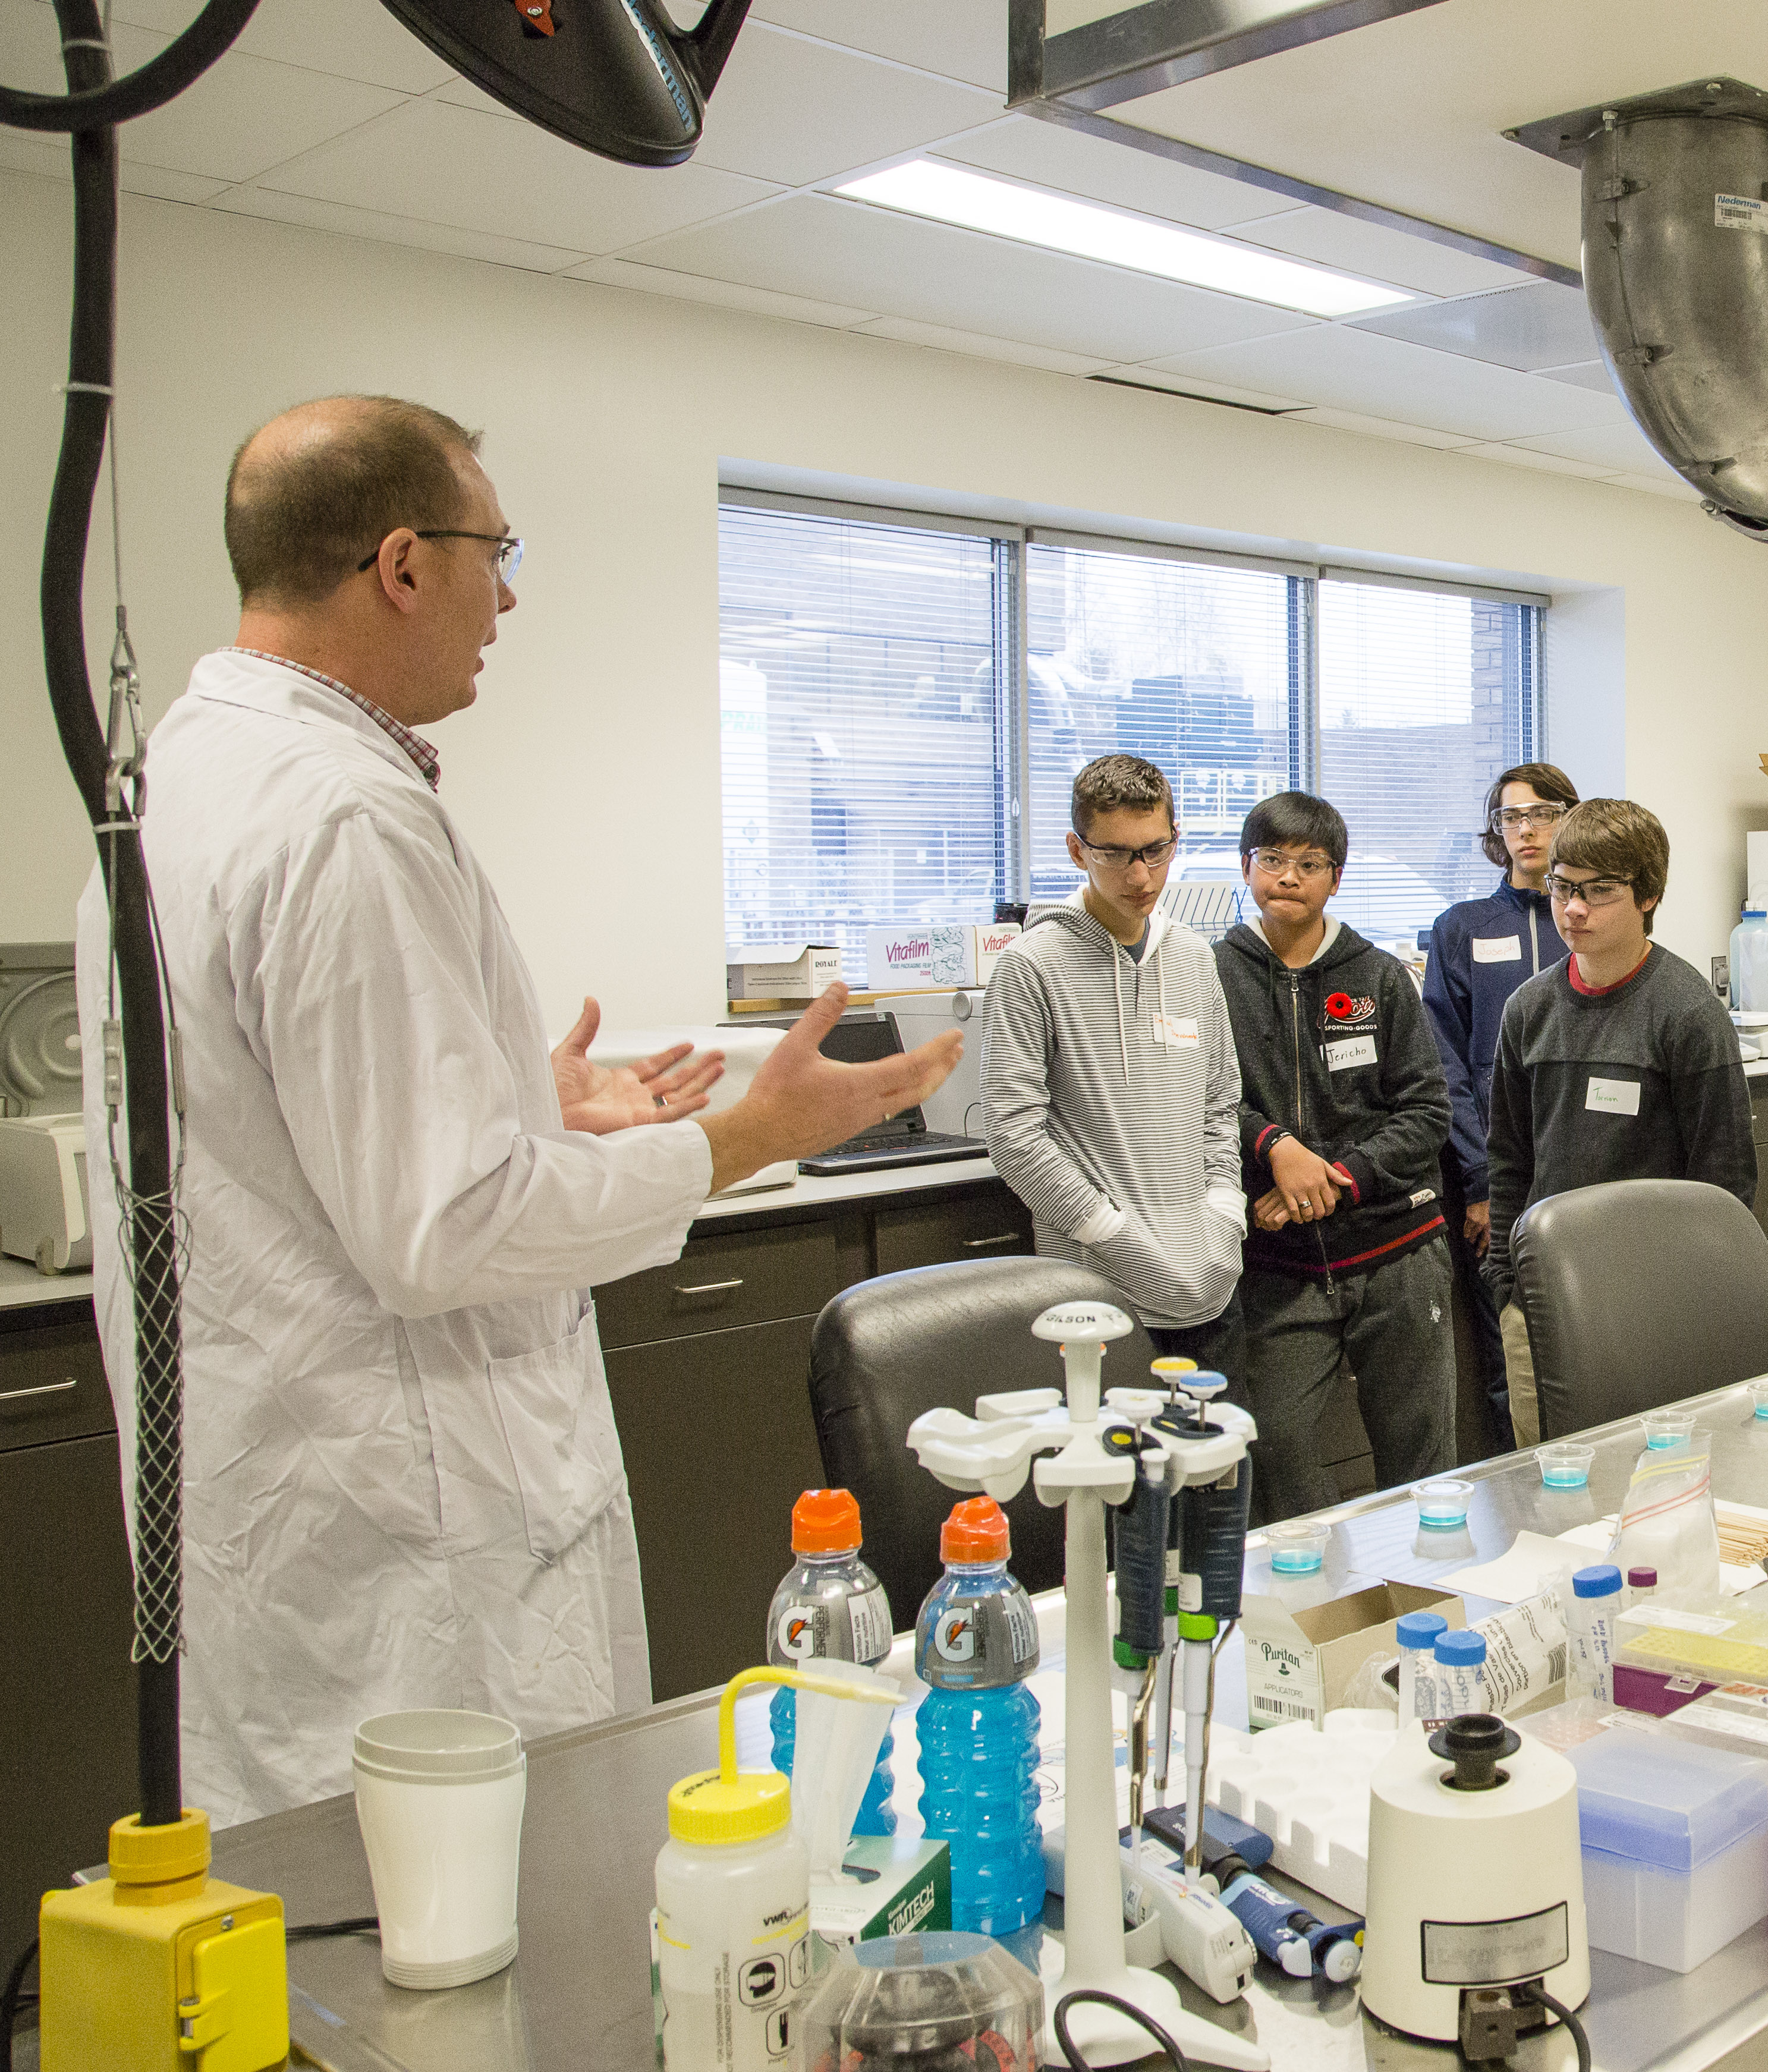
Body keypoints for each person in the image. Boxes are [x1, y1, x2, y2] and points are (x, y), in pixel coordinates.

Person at [75, 396, 958, 1824]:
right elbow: (443, 1230)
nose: (510, 593)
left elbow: (278, 1125)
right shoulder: (338, 813)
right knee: (455, 1958)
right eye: (499, 550)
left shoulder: (191, 771)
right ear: (403, 563)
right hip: (405, 1559)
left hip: (299, 1523)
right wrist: (746, 1138)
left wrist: (516, 1105)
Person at [1213, 792, 1457, 1519]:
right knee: (1273, 1443)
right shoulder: (1210, 976)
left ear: (1336, 877)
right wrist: (1273, 1148)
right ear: (1246, 868)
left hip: (1395, 1250)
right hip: (1279, 1265)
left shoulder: (1379, 976)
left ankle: (1425, 1605)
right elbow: (1202, 1101)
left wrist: (1334, 1180)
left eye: (1309, 864)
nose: (1288, 877)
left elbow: (1426, 1111)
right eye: (1272, 861)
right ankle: (1335, 1602)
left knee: (1420, 1458)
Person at [1484, 799, 1756, 1443]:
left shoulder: (1686, 1012)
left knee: (1652, 1480)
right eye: (1563, 886)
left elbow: (1725, 1180)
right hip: (1544, 1298)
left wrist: (1695, 1296)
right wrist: (1506, 1286)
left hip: (1656, 1301)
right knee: (1555, 1483)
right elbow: (1509, 1161)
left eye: (1599, 891)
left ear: (1649, 895)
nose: (1574, 909)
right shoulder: (1529, 1010)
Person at [982, 753, 1246, 1377]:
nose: (1141, 874)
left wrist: (1225, 1212)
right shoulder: (1031, 964)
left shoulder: (1193, 957)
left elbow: (1219, 1103)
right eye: (1116, 854)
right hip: (1094, 1293)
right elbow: (1015, 1136)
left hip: (1210, 1279)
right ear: (1078, 851)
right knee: (1116, 1474)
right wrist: (1106, 1229)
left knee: (1220, 1469)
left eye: (1156, 850)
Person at [1423, 761, 1577, 1453]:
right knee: (1505, 1350)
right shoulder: (1464, 927)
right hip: (1497, 1180)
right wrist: (1482, 1182)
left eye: (1542, 813)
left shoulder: (1587, 918)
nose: (1527, 829)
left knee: (1588, 1335)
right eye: (1512, 817)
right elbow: (1446, 1063)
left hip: (1581, 1165)